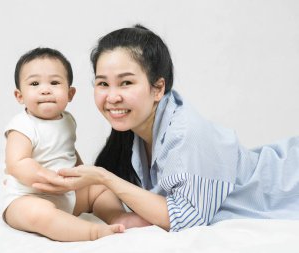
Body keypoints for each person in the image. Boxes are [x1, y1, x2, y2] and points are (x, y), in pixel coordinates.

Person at [34, 25, 299, 232]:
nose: (112, 96)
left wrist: (104, 178)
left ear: (158, 88)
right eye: (103, 84)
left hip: (287, 182)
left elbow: (184, 219)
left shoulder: (186, 133)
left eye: (126, 83)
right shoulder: (135, 133)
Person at [2, 47, 149, 242]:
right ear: (19, 96)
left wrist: (80, 172)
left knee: (99, 188)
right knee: (39, 214)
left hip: (68, 193)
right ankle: (91, 232)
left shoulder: (68, 120)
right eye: (35, 83)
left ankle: (117, 216)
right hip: (30, 196)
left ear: (70, 94)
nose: (45, 89)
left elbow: (68, 151)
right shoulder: (22, 126)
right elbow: (17, 163)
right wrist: (49, 178)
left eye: (54, 83)